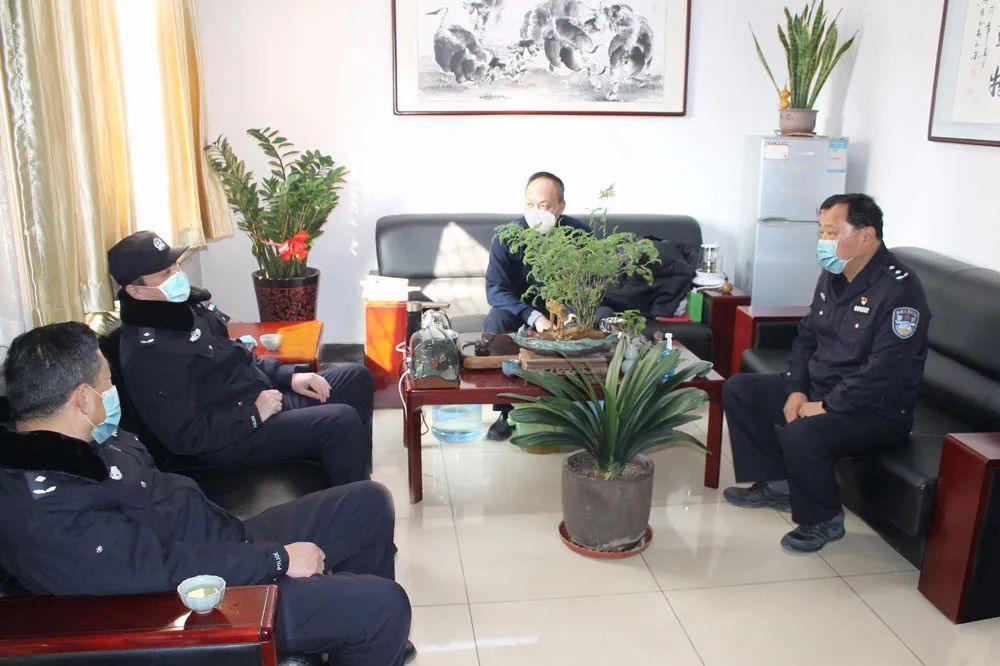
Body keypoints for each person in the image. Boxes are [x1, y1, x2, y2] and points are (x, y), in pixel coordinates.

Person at [0, 322, 415, 664]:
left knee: (369, 503)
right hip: (202, 599)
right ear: (83, 399)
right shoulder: (46, 512)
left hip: (221, 540)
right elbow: (161, 569)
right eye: (106, 381)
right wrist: (279, 559)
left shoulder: (83, 438)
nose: (113, 391)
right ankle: (364, 629)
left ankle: (358, 642)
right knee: (383, 607)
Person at [722, 193, 930, 552]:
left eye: (832, 232)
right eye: (821, 231)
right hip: (824, 388)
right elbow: (807, 337)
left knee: (803, 433)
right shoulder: (835, 274)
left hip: (875, 409)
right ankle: (778, 485)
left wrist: (828, 406)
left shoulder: (900, 290)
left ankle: (824, 520)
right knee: (741, 389)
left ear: (866, 236)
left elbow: (884, 371)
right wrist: (797, 389)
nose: (823, 241)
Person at [108, 231, 373, 485]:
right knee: (341, 421)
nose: (178, 274)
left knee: (356, 378)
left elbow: (237, 354)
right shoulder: (148, 354)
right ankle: (356, 505)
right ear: (137, 291)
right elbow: (185, 436)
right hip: (233, 437)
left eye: (176, 265)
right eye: (166, 273)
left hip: (260, 398)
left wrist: (289, 376)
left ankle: (356, 475)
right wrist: (254, 414)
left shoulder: (184, 309)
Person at [483, 171, 613, 440]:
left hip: (570, 314)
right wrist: (533, 316)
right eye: (530, 205)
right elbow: (495, 289)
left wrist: (573, 314)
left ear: (560, 207)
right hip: (523, 313)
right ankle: (506, 411)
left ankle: (592, 408)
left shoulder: (579, 235)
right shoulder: (507, 236)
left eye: (544, 206)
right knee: (497, 319)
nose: (535, 213)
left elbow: (593, 285)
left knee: (604, 316)